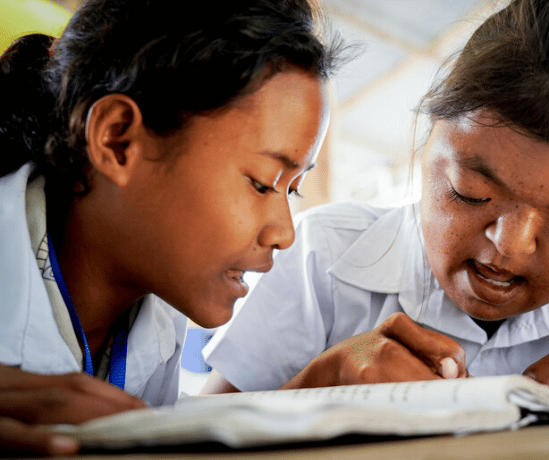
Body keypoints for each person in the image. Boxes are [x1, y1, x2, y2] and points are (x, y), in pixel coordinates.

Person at [202, 0, 549, 403]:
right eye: (470, 195)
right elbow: (206, 427)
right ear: (426, 147)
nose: (507, 250)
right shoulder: (324, 259)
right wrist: (315, 385)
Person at [0, 0, 340, 455]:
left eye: (292, 190)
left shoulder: (157, 310)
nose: (284, 233)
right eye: (262, 184)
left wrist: (311, 386)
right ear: (118, 140)